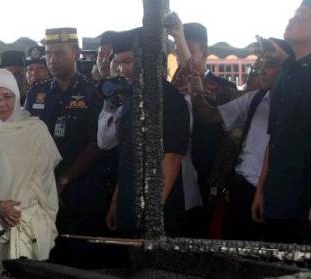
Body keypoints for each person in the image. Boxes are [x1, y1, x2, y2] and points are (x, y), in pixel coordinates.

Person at [0, 69, 61, 273]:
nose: (2, 104)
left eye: (8, 96)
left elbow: (46, 183)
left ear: (17, 96)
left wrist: (25, 213)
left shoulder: (35, 130)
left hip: (29, 224)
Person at [193, 39, 291, 241]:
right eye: (260, 65)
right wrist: (195, 91)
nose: (262, 71)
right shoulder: (254, 99)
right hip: (243, 189)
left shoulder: (301, 105)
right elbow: (210, 116)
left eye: (270, 65)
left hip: (281, 194)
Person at [24, 27, 105, 268]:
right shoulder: (37, 93)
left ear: (76, 53)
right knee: (46, 251)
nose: (52, 59)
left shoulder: (92, 93)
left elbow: (96, 143)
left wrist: (64, 180)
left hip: (81, 186)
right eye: (49, 53)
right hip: (40, 186)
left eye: (59, 53)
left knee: (78, 253)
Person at [106, 28, 190, 237]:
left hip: (157, 214)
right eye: (119, 63)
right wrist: (117, 201)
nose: (123, 69)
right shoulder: (131, 100)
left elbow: (171, 160)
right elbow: (126, 156)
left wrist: (151, 214)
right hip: (129, 203)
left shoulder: (170, 99)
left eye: (129, 61)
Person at [169, 19, 239, 237]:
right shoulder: (172, 85)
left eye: (189, 50)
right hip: (177, 170)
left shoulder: (223, 87)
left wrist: (178, 37)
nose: (182, 56)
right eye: (179, 51)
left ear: (205, 52)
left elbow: (201, 91)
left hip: (208, 170)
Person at [252, 0, 311, 244]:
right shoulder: (284, 74)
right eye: (293, 14)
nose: (291, 19)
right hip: (278, 194)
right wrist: (261, 189)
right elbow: (273, 138)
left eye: (301, 16)